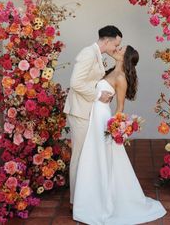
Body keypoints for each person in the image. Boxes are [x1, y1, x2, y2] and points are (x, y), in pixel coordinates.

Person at [73, 45, 167, 224]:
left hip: (102, 119)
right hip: (94, 115)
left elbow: (120, 108)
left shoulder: (121, 77)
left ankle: (106, 199)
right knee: (93, 155)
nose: (117, 50)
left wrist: (116, 128)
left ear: (126, 58)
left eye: (121, 50)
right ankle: (92, 197)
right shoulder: (109, 70)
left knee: (103, 157)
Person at [63, 25, 122, 210]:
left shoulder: (97, 54)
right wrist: (98, 95)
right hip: (79, 111)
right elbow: (75, 83)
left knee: (85, 156)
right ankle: (75, 202)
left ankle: (83, 198)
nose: (116, 48)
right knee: (79, 156)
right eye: (116, 44)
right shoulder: (88, 53)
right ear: (107, 40)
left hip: (87, 110)